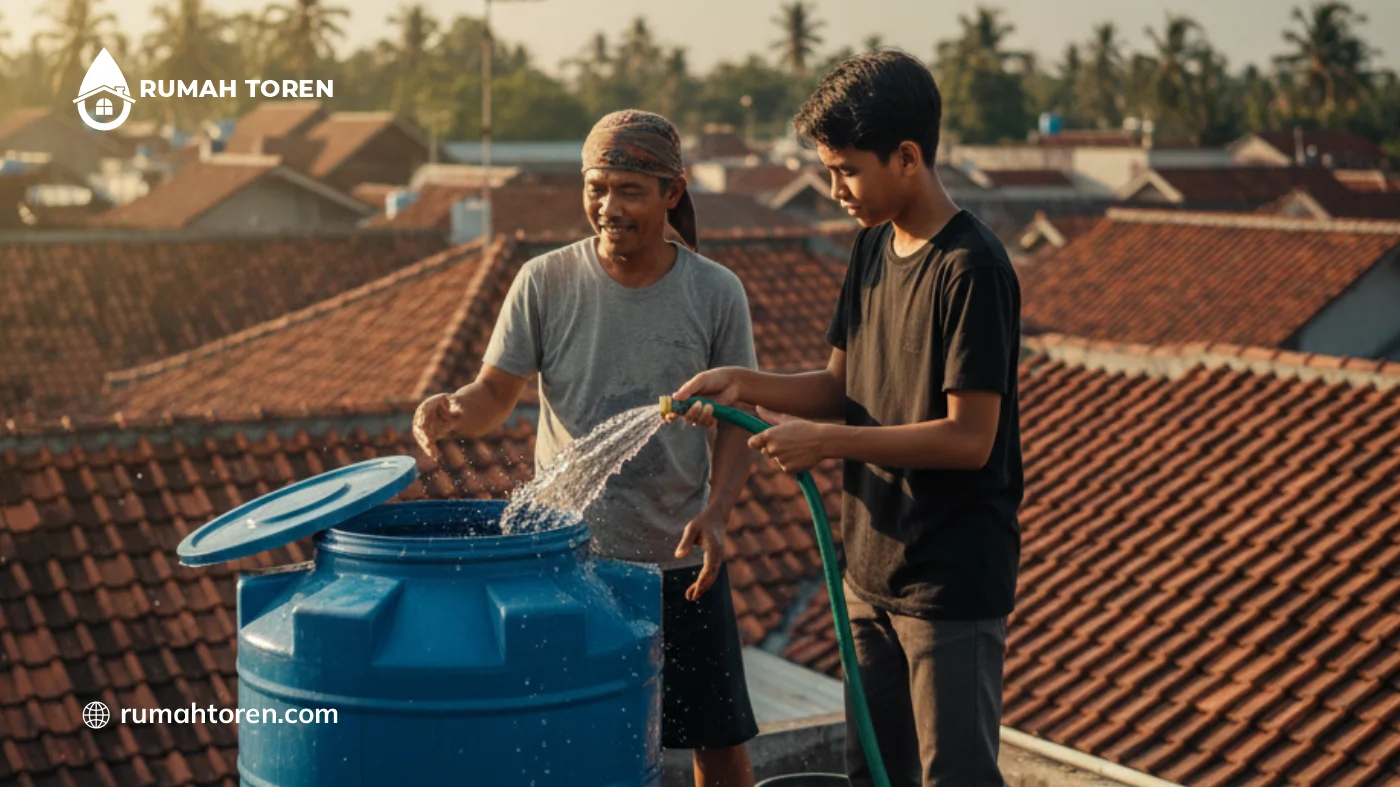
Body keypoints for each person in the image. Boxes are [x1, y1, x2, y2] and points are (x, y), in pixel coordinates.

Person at [670, 51, 1023, 787]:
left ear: (908, 156)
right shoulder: (870, 248)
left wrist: (827, 445)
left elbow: (969, 438)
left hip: (947, 580)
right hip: (869, 572)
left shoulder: (971, 269)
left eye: (846, 170)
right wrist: (745, 381)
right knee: (873, 774)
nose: (833, 190)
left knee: (953, 775)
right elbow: (840, 387)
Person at [413, 110, 759, 787]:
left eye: (630, 190)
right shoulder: (544, 282)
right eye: (596, 187)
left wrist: (716, 512)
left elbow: (737, 420)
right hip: (570, 568)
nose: (608, 207)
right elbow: (495, 394)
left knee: (717, 744)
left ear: (673, 192)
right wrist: (455, 410)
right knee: (574, 737)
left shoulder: (715, 292)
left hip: (678, 564)